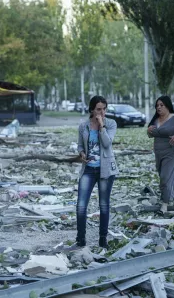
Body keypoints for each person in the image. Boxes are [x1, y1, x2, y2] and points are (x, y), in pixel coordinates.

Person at [76, 96, 119, 248]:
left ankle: (103, 239)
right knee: (81, 206)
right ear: (92, 110)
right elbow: (80, 145)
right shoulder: (84, 126)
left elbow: (107, 143)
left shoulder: (111, 124)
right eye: (99, 109)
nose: (102, 112)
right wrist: (82, 154)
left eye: (104, 109)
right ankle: (80, 239)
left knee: (104, 205)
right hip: (88, 169)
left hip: (105, 171)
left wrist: (101, 126)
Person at [147, 96, 174, 214]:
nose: (159, 107)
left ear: (168, 106)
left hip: (172, 151)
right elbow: (152, 134)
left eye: (161, 105)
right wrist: (149, 131)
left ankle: (165, 204)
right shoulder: (156, 120)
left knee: (165, 177)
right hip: (158, 152)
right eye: (157, 105)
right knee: (167, 175)